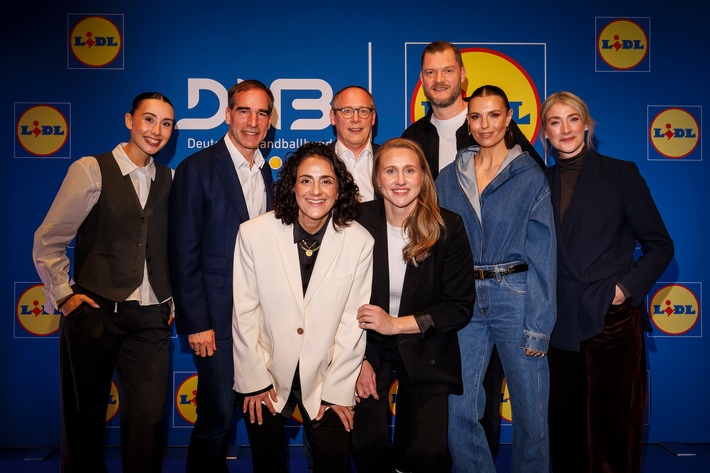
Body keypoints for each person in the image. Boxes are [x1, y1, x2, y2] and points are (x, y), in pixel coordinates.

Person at [401, 41, 544, 456]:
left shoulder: (495, 130)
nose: (439, 79)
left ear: (463, 76)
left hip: (506, 284)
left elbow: (536, 199)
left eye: (448, 70)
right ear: (422, 80)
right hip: (446, 285)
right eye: (431, 72)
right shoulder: (413, 137)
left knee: (505, 396)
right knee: (456, 395)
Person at [33, 92, 176, 473]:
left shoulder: (170, 179)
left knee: (148, 420)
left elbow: (172, 247)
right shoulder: (91, 169)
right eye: (149, 119)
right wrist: (64, 296)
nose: (157, 130)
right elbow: (49, 240)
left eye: (166, 124)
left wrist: (171, 299)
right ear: (130, 121)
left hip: (150, 319)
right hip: (94, 313)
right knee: (85, 419)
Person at [540, 91, 674, 473]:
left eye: (573, 119)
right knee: (564, 428)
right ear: (546, 133)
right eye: (555, 122)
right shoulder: (538, 182)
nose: (565, 129)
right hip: (557, 323)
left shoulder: (620, 174)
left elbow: (660, 245)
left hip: (609, 321)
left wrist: (623, 291)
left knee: (611, 431)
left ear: (587, 125)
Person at [232, 142, 373, 473]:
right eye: (306, 180)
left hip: (327, 374)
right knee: (268, 465)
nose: (316, 191)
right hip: (266, 369)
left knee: (332, 464)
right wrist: (254, 380)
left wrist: (337, 391)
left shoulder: (360, 241)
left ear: (339, 189)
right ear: (292, 186)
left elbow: (353, 322)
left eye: (326, 181)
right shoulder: (254, 234)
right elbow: (245, 312)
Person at [437, 85, 556, 473]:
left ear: (508, 119)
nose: (484, 124)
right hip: (464, 299)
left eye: (493, 115)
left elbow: (543, 254)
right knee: (459, 408)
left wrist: (539, 327)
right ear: (468, 123)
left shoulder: (530, 176)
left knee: (531, 413)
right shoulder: (448, 177)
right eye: (476, 116)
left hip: (516, 295)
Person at [168, 79, 275, 473]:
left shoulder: (265, 172)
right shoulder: (196, 169)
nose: (253, 121)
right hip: (216, 320)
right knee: (216, 416)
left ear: (270, 122)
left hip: (260, 318)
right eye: (244, 111)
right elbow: (183, 253)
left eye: (262, 113)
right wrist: (197, 323)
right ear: (228, 114)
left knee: (264, 412)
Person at [351, 137, 475, 472]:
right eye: (391, 171)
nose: (400, 180)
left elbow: (458, 307)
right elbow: (338, 299)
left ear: (423, 177)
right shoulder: (356, 221)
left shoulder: (448, 227)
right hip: (366, 346)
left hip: (426, 344)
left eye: (409, 170)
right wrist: (357, 360)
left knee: (428, 452)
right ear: (377, 179)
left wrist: (395, 324)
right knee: (367, 444)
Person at [328, 85, 380, 202]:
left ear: (372, 118)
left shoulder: (388, 159)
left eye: (363, 111)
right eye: (347, 111)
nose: (356, 119)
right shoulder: (318, 160)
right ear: (332, 117)